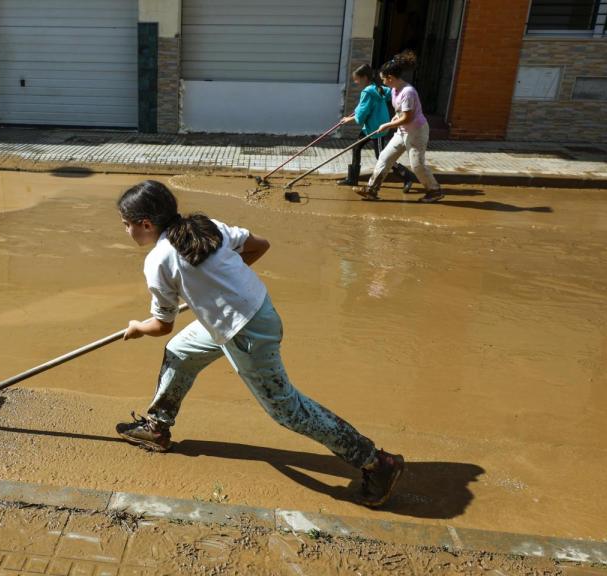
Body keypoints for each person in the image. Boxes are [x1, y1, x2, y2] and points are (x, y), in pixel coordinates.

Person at [115, 180, 405, 508]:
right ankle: (157, 426)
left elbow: (161, 325)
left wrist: (137, 327)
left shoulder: (158, 261)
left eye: (126, 224)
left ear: (146, 224)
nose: (126, 231)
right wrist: (221, 284)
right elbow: (259, 245)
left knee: (288, 410)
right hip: (254, 310)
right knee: (181, 352)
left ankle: (376, 462)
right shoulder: (206, 226)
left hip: (245, 333)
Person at [358, 51, 444, 203]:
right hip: (402, 131)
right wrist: (395, 118)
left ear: (390, 78)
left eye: (383, 79)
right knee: (385, 157)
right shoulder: (394, 89)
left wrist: (387, 125)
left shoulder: (408, 92)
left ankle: (434, 191)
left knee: (417, 165)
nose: (383, 82)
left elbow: (408, 117)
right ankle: (372, 189)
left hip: (416, 132)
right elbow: (401, 113)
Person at [339, 64, 416, 190]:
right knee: (356, 148)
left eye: (357, 79)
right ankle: (352, 179)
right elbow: (368, 105)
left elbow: (363, 111)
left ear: (364, 78)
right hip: (369, 127)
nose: (356, 82)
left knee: (381, 156)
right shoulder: (377, 88)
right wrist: (351, 116)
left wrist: (351, 119)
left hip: (378, 128)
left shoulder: (367, 92)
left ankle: (407, 176)